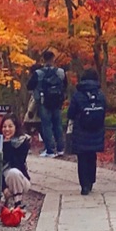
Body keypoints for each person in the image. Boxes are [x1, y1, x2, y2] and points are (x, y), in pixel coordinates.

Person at [67, 68, 108, 196]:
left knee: (82, 158)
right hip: (96, 130)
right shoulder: (100, 95)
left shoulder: (78, 95)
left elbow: (71, 113)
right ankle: (91, 181)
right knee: (92, 156)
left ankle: (84, 185)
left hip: (81, 131)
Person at [26, 49, 68, 157]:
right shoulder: (61, 72)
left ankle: (50, 150)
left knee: (46, 126)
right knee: (58, 125)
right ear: (53, 59)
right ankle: (60, 149)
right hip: (57, 102)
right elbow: (65, 85)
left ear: (43, 59)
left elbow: (29, 86)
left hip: (43, 101)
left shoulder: (39, 73)